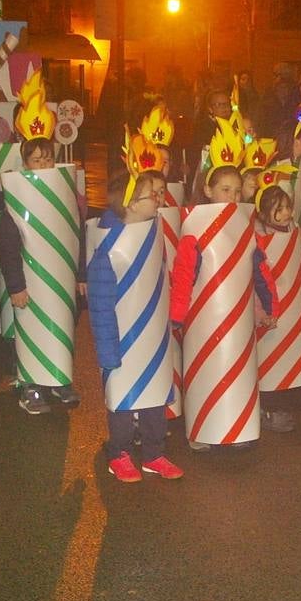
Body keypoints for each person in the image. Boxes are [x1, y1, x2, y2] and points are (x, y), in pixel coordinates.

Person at [171, 120, 275, 450]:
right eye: (224, 190)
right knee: (205, 372)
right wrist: (178, 317)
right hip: (203, 318)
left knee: (237, 366)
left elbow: (260, 269)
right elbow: (184, 274)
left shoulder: (246, 224)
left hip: (238, 316)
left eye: (236, 190)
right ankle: (202, 428)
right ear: (208, 191)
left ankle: (237, 424)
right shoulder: (196, 224)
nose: (231, 196)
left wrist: (271, 305)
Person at [0, 71, 83, 413]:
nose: (43, 164)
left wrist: (79, 274)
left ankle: (59, 380)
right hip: (27, 277)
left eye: (48, 159)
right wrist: (15, 285)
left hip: (57, 276)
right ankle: (31, 385)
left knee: (59, 323)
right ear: (24, 163)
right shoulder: (15, 191)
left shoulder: (63, 189)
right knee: (30, 327)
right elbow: (8, 245)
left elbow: (76, 233)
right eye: (36, 160)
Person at [88, 156, 184, 482]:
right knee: (124, 406)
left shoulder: (151, 233)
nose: (159, 200)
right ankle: (120, 453)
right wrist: (108, 353)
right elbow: (100, 306)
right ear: (129, 203)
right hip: (122, 344)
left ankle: (154, 453)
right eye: (151, 196)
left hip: (153, 340)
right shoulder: (109, 250)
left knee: (155, 399)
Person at [252, 176, 301, 433]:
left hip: (296, 309)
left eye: (286, 207)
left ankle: (296, 402)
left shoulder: (295, 233)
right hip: (272, 311)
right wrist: (262, 312)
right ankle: (272, 408)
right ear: (263, 213)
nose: (284, 214)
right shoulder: (258, 239)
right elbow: (258, 281)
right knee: (273, 360)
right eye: (277, 209)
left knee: (297, 354)